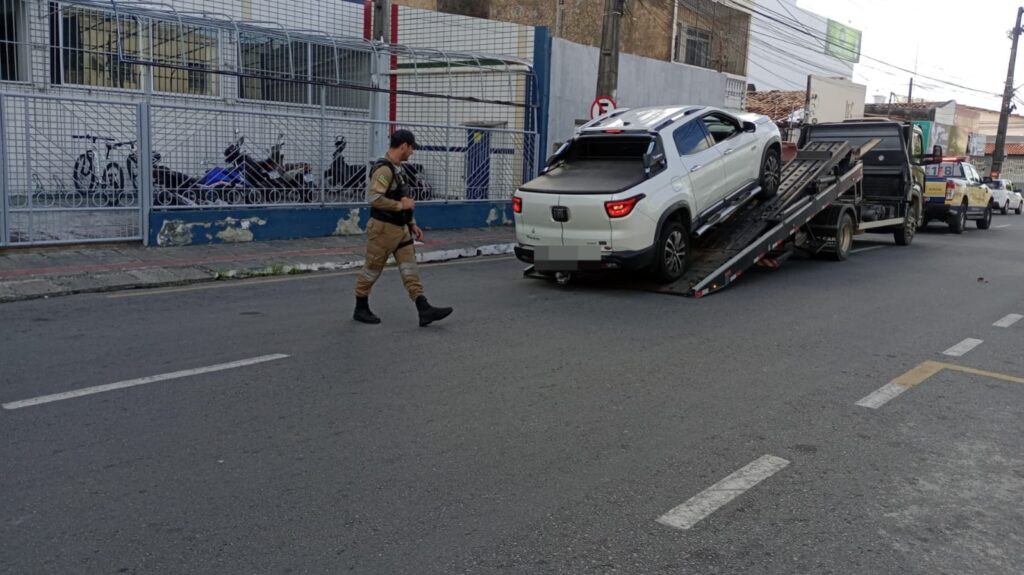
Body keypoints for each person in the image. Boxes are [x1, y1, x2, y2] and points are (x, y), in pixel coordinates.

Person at [353, 129, 453, 327]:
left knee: (410, 269)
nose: (412, 152)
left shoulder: (398, 169)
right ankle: (360, 306)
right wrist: (402, 207)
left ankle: (423, 308)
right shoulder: (384, 169)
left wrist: (412, 223)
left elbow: (402, 197)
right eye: (412, 148)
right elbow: (374, 198)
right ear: (404, 146)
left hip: (400, 229)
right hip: (383, 229)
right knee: (372, 269)